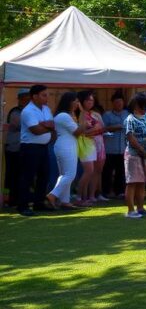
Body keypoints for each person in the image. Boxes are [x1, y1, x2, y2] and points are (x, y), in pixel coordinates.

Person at [47, 92, 88, 210]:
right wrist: (83, 116)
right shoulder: (63, 116)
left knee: (64, 175)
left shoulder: (65, 115)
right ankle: (52, 195)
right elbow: (78, 132)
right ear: (69, 102)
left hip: (65, 146)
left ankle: (65, 201)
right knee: (70, 175)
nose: (77, 103)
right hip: (66, 146)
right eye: (75, 101)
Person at [17, 85, 54, 216]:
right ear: (34, 96)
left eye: (47, 94)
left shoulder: (46, 109)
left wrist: (45, 125)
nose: (47, 97)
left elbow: (51, 124)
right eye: (44, 95)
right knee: (27, 177)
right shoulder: (28, 111)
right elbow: (36, 130)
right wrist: (47, 127)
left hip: (43, 147)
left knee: (44, 176)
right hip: (30, 147)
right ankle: (22, 206)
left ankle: (39, 203)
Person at [74, 90, 104, 206]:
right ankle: (80, 197)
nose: (90, 102)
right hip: (85, 144)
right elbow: (82, 132)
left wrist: (97, 129)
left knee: (94, 171)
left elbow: (101, 128)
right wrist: (94, 129)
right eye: (87, 100)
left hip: (94, 144)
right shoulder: (80, 115)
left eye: (92, 100)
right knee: (88, 171)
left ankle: (88, 197)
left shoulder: (94, 114)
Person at [101, 91, 129, 199]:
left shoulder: (127, 114)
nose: (119, 104)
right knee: (107, 171)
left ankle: (120, 192)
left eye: (121, 102)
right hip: (110, 148)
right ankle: (106, 192)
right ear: (112, 103)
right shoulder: (107, 115)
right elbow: (102, 129)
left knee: (121, 171)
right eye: (117, 102)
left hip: (123, 148)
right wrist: (114, 127)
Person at [4, 90, 28, 208]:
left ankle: (18, 198)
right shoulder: (15, 112)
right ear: (20, 98)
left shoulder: (27, 111)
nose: (27, 100)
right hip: (14, 148)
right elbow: (23, 126)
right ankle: (12, 200)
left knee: (20, 175)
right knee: (13, 175)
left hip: (21, 148)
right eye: (25, 97)